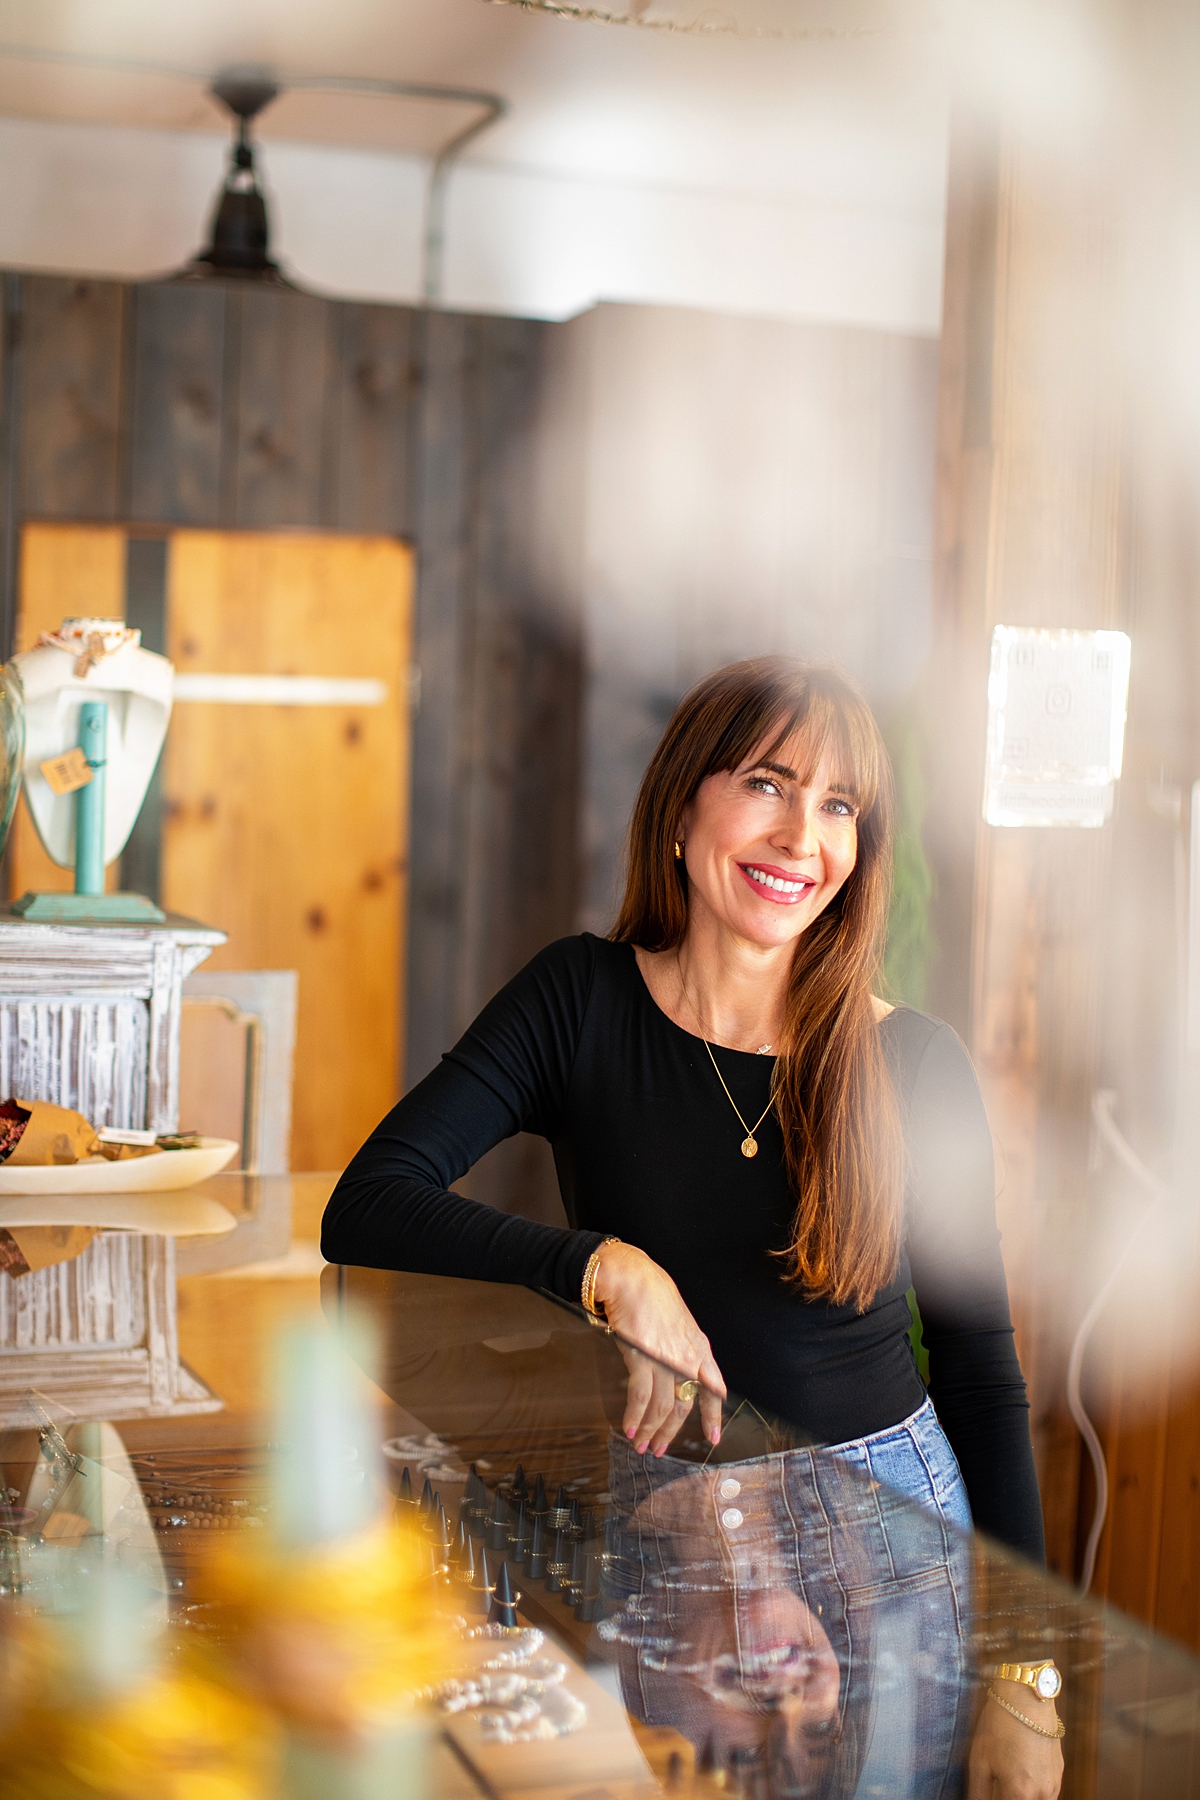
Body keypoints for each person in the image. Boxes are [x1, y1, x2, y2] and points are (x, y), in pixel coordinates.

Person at [324, 657, 1064, 1800]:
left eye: (837, 808)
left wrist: (1027, 1672)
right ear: (681, 808)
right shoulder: (579, 997)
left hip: (893, 1539)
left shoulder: (914, 1062)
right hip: (672, 1527)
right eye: (768, 784)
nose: (799, 837)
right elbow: (365, 1202)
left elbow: (981, 1375)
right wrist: (601, 1268)